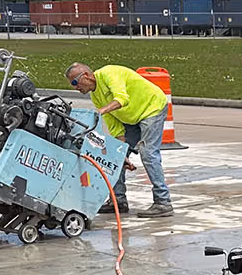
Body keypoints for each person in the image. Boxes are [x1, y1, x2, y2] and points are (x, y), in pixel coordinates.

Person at [67, 62, 173, 218]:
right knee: (115, 154)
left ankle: (163, 202)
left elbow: (122, 99)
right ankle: (118, 201)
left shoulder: (109, 74)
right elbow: (116, 127)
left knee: (148, 153)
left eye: (75, 82)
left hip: (152, 108)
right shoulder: (96, 96)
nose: (75, 87)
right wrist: (122, 153)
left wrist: (100, 112)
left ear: (86, 76)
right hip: (132, 118)